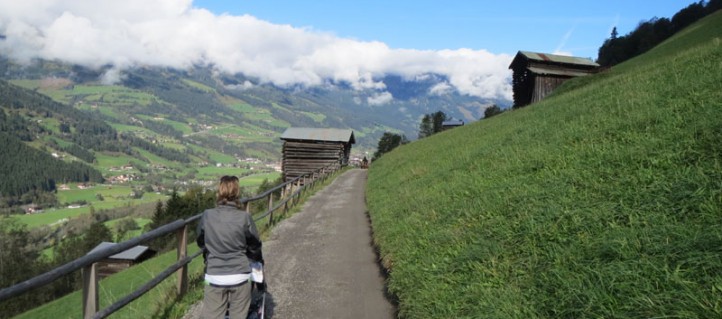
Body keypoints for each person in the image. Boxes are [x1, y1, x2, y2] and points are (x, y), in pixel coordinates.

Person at [196, 175, 263, 319]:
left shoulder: (207, 216)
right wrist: (258, 268)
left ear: (219, 192)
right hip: (240, 275)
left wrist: (211, 253)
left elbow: (201, 241)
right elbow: (255, 247)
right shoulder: (244, 217)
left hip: (214, 276)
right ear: (237, 192)